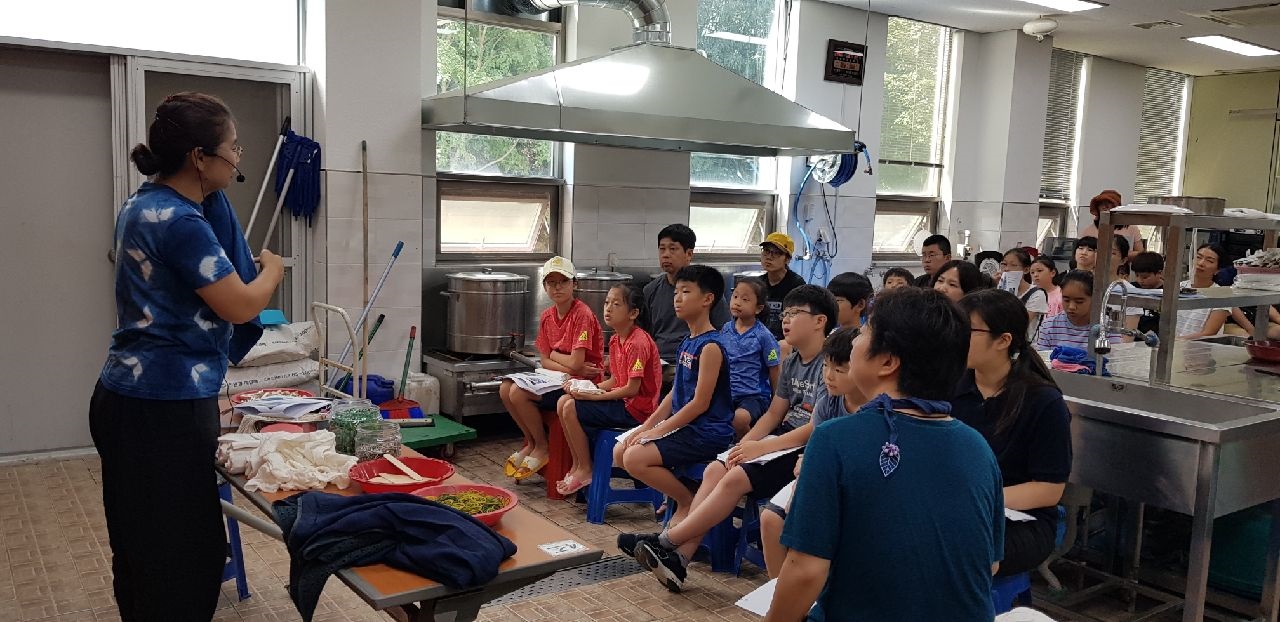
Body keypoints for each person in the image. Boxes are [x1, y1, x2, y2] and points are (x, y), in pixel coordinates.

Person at [91, 92, 284, 621]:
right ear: (200, 157)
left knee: (140, 547)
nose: (237, 158)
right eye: (233, 148)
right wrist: (272, 270)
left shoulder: (142, 203)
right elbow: (240, 304)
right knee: (184, 559)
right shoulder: (182, 223)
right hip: (163, 408)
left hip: (125, 398)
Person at [765, 288, 1003, 622]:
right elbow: (991, 564)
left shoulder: (835, 439)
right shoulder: (977, 446)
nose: (854, 341)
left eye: (863, 332)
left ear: (888, 361)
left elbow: (805, 570)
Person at [622, 286, 837, 592]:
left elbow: (816, 427)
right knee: (715, 468)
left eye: (795, 313)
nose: (786, 320)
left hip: (804, 448)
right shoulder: (791, 362)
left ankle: (666, 541)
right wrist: (746, 444)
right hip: (779, 440)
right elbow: (774, 413)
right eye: (785, 313)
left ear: (820, 321)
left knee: (735, 478)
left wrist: (762, 446)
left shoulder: (831, 365)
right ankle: (679, 560)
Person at [955, 289, 1072, 577]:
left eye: (968, 331)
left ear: (1003, 340)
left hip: (1021, 519)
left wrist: (977, 500)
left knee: (957, 550)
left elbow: (1048, 489)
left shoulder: (1042, 402)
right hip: (958, 508)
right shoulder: (951, 388)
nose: (955, 338)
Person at [615, 265, 735, 528]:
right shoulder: (687, 341)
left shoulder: (710, 346)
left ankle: (685, 500)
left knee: (634, 458)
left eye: (686, 292)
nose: (677, 298)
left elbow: (700, 403)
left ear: (707, 299)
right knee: (620, 451)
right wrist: (647, 427)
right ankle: (679, 492)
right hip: (686, 429)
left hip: (706, 432)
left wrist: (659, 432)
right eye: (676, 292)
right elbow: (674, 394)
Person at [758, 327, 865, 578]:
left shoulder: (873, 408)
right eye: (826, 366)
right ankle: (777, 588)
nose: (829, 376)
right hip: (819, 475)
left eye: (839, 370)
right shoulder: (828, 402)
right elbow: (816, 444)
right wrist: (807, 463)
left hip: (848, 484)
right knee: (771, 519)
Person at [500, 256, 605, 480]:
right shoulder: (547, 316)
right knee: (505, 387)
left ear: (574, 284)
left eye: (563, 281)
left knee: (518, 392)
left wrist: (557, 356)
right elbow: (546, 360)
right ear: (545, 287)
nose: (557, 287)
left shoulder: (582, 315)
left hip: (582, 383)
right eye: (551, 282)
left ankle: (542, 446)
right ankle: (531, 442)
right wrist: (563, 361)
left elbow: (575, 363)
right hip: (557, 377)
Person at [554, 283, 662, 496]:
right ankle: (578, 464)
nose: (608, 309)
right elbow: (615, 380)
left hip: (637, 411)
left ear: (633, 313)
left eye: (616, 304)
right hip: (622, 403)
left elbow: (631, 389)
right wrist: (587, 388)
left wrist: (594, 397)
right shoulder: (614, 340)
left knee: (570, 407)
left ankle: (586, 468)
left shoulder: (637, 342)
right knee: (563, 401)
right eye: (606, 303)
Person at [644, 224, 731, 364]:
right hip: (658, 362)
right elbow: (645, 334)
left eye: (673, 249)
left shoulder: (705, 289)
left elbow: (724, 332)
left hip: (695, 361)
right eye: (662, 249)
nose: (665, 254)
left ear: (689, 254)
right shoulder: (650, 290)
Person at [721, 278, 782, 438]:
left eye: (745, 299)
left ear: (758, 308)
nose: (737, 302)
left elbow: (774, 369)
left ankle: (747, 444)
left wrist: (776, 403)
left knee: (739, 419)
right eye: (735, 296)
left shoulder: (764, 336)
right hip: (726, 393)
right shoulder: (726, 329)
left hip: (753, 396)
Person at [1035, 271, 1135, 351]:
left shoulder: (1107, 328)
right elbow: (1041, 363)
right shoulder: (1049, 326)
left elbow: (1112, 360)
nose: (1071, 307)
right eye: (1066, 300)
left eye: (1079, 301)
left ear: (1094, 298)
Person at [1177, 243, 1232, 340]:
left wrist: (1177, 341)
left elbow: (1209, 333)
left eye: (1209, 261)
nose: (1201, 263)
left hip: (1199, 346)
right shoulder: (1179, 287)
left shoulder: (1221, 294)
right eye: (1198, 257)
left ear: (1217, 270)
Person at [760, 232, 807, 340]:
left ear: (787, 259)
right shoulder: (758, 283)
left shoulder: (796, 285)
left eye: (776, 253)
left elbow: (799, 318)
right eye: (766, 251)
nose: (769, 257)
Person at [998, 248, 1050, 342]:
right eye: (1004, 264)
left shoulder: (1037, 294)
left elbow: (1019, 324)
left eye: (1013, 265)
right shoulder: (998, 290)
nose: (1006, 269)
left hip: (1023, 345)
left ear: (1026, 270)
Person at [1080, 190, 1144, 259]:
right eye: (1101, 204)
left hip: (1124, 265)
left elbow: (1140, 253)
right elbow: (1081, 254)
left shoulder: (1131, 228)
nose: (1104, 206)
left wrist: (1118, 255)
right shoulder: (1088, 231)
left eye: (1108, 203)